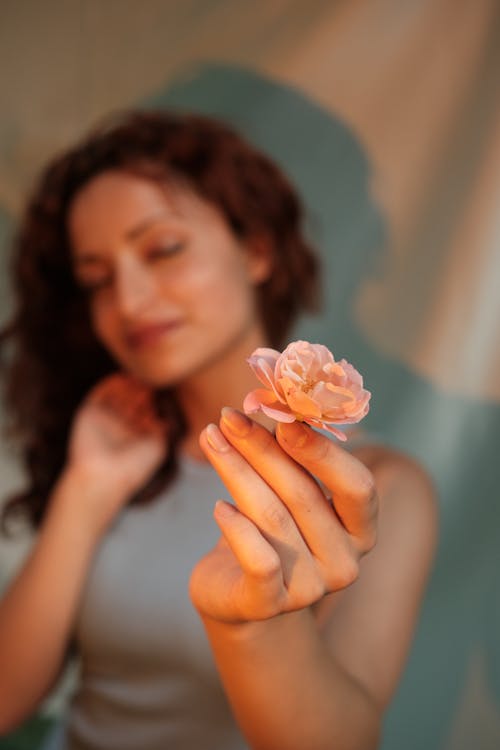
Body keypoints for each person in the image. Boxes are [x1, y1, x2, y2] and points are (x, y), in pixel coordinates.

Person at [0, 110, 437, 750]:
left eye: (163, 249)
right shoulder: (112, 457)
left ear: (256, 250)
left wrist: (251, 627)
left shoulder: (378, 490)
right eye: (96, 279)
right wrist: (87, 488)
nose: (129, 299)